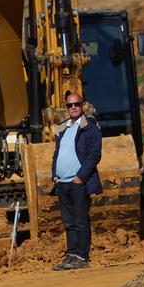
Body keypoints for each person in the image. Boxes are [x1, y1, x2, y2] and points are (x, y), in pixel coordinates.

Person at [51, 89, 103, 270]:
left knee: (81, 221)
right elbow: (57, 154)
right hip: (62, 183)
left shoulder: (89, 126)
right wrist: (55, 176)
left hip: (78, 182)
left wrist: (81, 177)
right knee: (69, 222)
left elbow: (94, 154)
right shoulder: (63, 128)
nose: (73, 107)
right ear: (66, 108)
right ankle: (71, 256)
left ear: (82, 105)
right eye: (69, 105)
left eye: (76, 104)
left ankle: (82, 257)